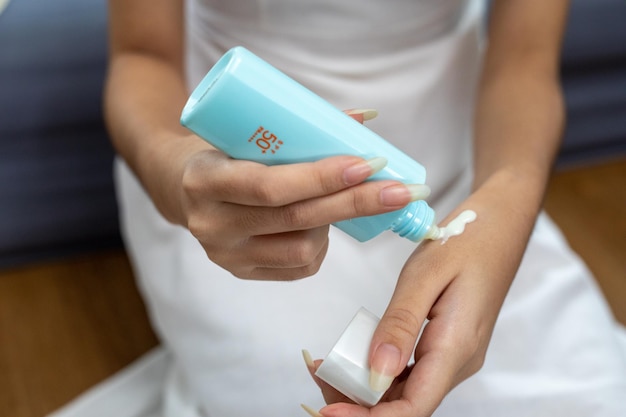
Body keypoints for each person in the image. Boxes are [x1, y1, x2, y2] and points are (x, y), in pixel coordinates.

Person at [51, 0, 626, 416]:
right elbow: (141, 55)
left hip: (470, 165)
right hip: (237, 177)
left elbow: (524, 62)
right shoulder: (217, 180)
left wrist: (504, 208)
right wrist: (177, 179)